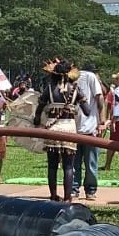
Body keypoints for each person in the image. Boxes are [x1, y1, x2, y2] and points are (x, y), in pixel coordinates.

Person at [33, 58, 90, 203]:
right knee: (68, 166)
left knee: (52, 166)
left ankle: (53, 196)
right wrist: (78, 102)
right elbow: (87, 111)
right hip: (69, 129)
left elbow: (39, 108)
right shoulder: (76, 89)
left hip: (52, 129)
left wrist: (37, 120)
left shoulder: (49, 88)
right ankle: (68, 197)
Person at [72, 63, 105, 201]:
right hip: (79, 128)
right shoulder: (91, 76)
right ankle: (82, 189)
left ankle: (82, 189)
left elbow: (99, 98)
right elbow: (100, 98)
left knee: (82, 162)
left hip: (85, 127)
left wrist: (101, 122)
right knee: (84, 162)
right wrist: (102, 121)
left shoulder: (80, 77)